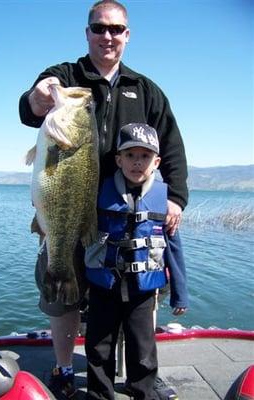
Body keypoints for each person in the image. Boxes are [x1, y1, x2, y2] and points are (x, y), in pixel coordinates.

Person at [19, 1, 188, 398]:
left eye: (116, 29)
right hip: (67, 209)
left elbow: (173, 146)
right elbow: (31, 108)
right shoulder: (67, 76)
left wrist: (176, 198)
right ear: (87, 32)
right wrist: (39, 95)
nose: (107, 36)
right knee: (62, 297)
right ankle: (63, 368)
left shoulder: (146, 90)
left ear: (127, 35)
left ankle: (137, 374)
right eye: (99, 28)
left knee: (137, 299)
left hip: (128, 218)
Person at [84, 122, 188, 400]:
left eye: (144, 156)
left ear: (156, 162)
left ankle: (142, 391)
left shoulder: (165, 202)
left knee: (143, 350)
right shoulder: (98, 193)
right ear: (118, 160)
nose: (137, 162)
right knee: (98, 348)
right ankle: (99, 395)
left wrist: (180, 295)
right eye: (130, 155)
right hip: (103, 288)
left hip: (143, 292)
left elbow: (174, 250)